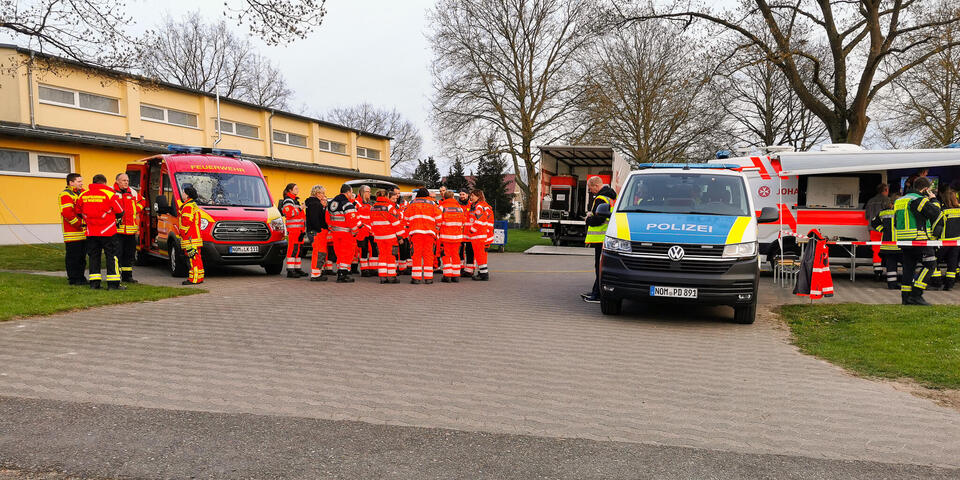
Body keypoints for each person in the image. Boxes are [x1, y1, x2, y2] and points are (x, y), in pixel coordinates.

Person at [893, 176, 941, 305]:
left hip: (904, 240)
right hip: (918, 239)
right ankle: (916, 294)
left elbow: (896, 222)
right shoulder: (918, 200)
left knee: (908, 268)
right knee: (930, 264)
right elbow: (935, 212)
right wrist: (934, 199)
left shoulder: (900, 200)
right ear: (925, 189)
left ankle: (906, 298)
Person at [75, 174, 124, 290]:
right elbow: (120, 211)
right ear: (104, 183)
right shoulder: (110, 194)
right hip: (108, 231)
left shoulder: (83, 194)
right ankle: (113, 284)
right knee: (112, 256)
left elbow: (78, 211)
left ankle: (94, 284)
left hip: (91, 231)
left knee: (93, 257)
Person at [581, 176, 617, 303]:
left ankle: (598, 295)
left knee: (599, 267)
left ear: (596, 185)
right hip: (608, 237)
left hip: (600, 238)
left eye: (591, 189)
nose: (591, 192)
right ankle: (596, 291)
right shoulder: (611, 196)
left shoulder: (601, 198)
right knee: (600, 266)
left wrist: (588, 219)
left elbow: (599, 219)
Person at [405, 188, 441, 284]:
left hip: (416, 233)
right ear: (427, 195)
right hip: (429, 233)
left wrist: (410, 227)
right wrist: (436, 228)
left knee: (416, 255)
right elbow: (439, 219)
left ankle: (416, 278)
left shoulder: (412, 204)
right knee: (428, 255)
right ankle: (428, 278)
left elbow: (406, 218)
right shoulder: (432, 204)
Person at [327, 184, 361, 283]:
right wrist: (355, 231)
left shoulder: (332, 203)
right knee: (347, 254)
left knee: (339, 254)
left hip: (335, 233)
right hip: (346, 233)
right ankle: (343, 274)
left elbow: (328, 217)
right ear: (348, 192)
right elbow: (351, 220)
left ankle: (340, 272)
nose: (352, 194)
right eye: (351, 192)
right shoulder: (347, 204)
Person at [113, 173, 143, 284]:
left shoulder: (133, 192)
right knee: (117, 254)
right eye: (124, 180)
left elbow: (142, 201)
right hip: (117, 231)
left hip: (131, 231)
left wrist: (135, 209)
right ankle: (116, 276)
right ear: (117, 181)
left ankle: (127, 276)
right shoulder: (112, 192)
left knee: (129, 254)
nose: (126, 182)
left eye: (127, 180)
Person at [59, 173, 87, 285]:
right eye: (79, 181)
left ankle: (80, 277)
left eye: (81, 181)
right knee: (73, 258)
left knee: (81, 258)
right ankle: (73, 279)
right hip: (72, 232)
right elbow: (67, 213)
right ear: (71, 182)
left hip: (83, 232)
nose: (82, 183)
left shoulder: (82, 193)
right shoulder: (65, 195)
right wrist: (79, 224)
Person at [371, 190, 403, 283]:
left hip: (378, 237)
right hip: (389, 236)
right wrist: (400, 236)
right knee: (391, 256)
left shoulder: (373, 207)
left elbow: (372, 223)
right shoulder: (389, 207)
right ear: (386, 196)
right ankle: (391, 276)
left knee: (381, 256)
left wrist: (374, 234)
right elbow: (396, 223)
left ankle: (383, 277)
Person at [932, 187, 960, 290]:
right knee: (952, 264)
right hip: (956, 243)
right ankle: (949, 285)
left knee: (934, 260)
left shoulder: (943, 212)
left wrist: (933, 239)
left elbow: (937, 228)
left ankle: (936, 281)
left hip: (944, 243)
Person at [871, 196, 901, 290]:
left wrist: (882, 230)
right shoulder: (901, 213)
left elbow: (874, 223)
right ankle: (909, 283)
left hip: (887, 246)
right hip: (899, 246)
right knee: (908, 265)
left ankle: (892, 285)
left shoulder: (882, 213)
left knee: (891, 267)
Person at [465, 190, 494, 281]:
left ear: (478, 196)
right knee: (481, 255)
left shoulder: (479, 207)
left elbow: (480, 220)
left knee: (480, 255)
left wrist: (471, 230)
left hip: (479, 235)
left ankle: (484, 274)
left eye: (473, 196)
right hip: (482, 235)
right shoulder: (481, 206)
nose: (471, 197)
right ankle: (482, 272)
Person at [280, 183, 307, 278]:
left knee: (298, 250)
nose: (297, 189)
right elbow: (289, 213)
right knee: (292, 249)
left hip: (299, 230)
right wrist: (301, 208)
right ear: (290, 190)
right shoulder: (288, 200)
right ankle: (290, 270)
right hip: (293, 230)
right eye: (295, 188)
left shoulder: (295, 201)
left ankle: (297, 269)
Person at [438, 190, 466, 282]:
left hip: (446, 236)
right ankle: (456, 275)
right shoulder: (460, 208)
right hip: (457, 237)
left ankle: (447, 275)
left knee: (446, 255)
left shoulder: (442, 207)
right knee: (455, 255)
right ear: (453, 197)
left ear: (444, 197)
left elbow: (438, 221)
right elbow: (463, 221)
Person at [864, 183, 889, 281]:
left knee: (876, 250)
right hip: (883, 229)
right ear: (885, 190)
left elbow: (867, 216)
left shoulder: (870, 201)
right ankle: (889, 271)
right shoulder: (886, 200)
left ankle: (877, 272)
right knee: (888, 250)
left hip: (872, 229)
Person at [304, 185, 329, 282]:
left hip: (313, 231)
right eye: (322, 193)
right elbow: (315, 219)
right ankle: (315, 274)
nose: (323, 195)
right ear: (317, 193)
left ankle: (317, 272)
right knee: (318, 253)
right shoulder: (315, 204)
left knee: (318, 252)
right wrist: (319, 229)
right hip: (316, 232)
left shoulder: (312, 203)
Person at [354, 185, 379, 277]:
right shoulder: (356, 203)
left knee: (373, 250)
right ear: (362, 192)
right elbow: (355, 217)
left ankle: (373, 269)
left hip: (370, 231)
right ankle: (364, 270)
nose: (369, 193)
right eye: (368, 191)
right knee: (363, 250)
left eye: (370, 191)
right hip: (362, 231)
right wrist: (363, 226)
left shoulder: (369, 205)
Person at [393, 187, 412, 275]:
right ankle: (397, 268)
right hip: (395, 230)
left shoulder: (405, 203)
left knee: (406, 249)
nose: (397, 195)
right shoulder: (392, 204)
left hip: (405, 230)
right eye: (396, 193)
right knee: (396, 250)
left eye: (398, 193)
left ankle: (405, 268)